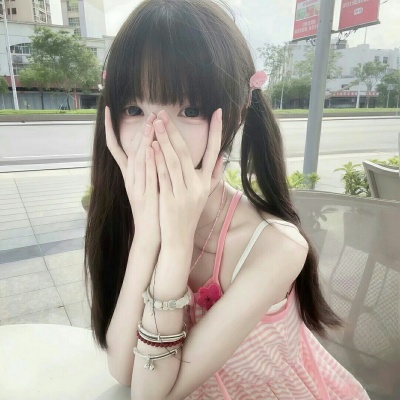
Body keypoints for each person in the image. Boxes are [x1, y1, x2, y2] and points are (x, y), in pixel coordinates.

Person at [84, 0, 370, 398]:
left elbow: (151, 394)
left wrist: (176, 244)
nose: (157, 134)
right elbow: (124, 371)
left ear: (234, 116)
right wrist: (148, 236)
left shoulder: (276, 246)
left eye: (190, 109)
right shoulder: (137, 218)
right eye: (134, 108)